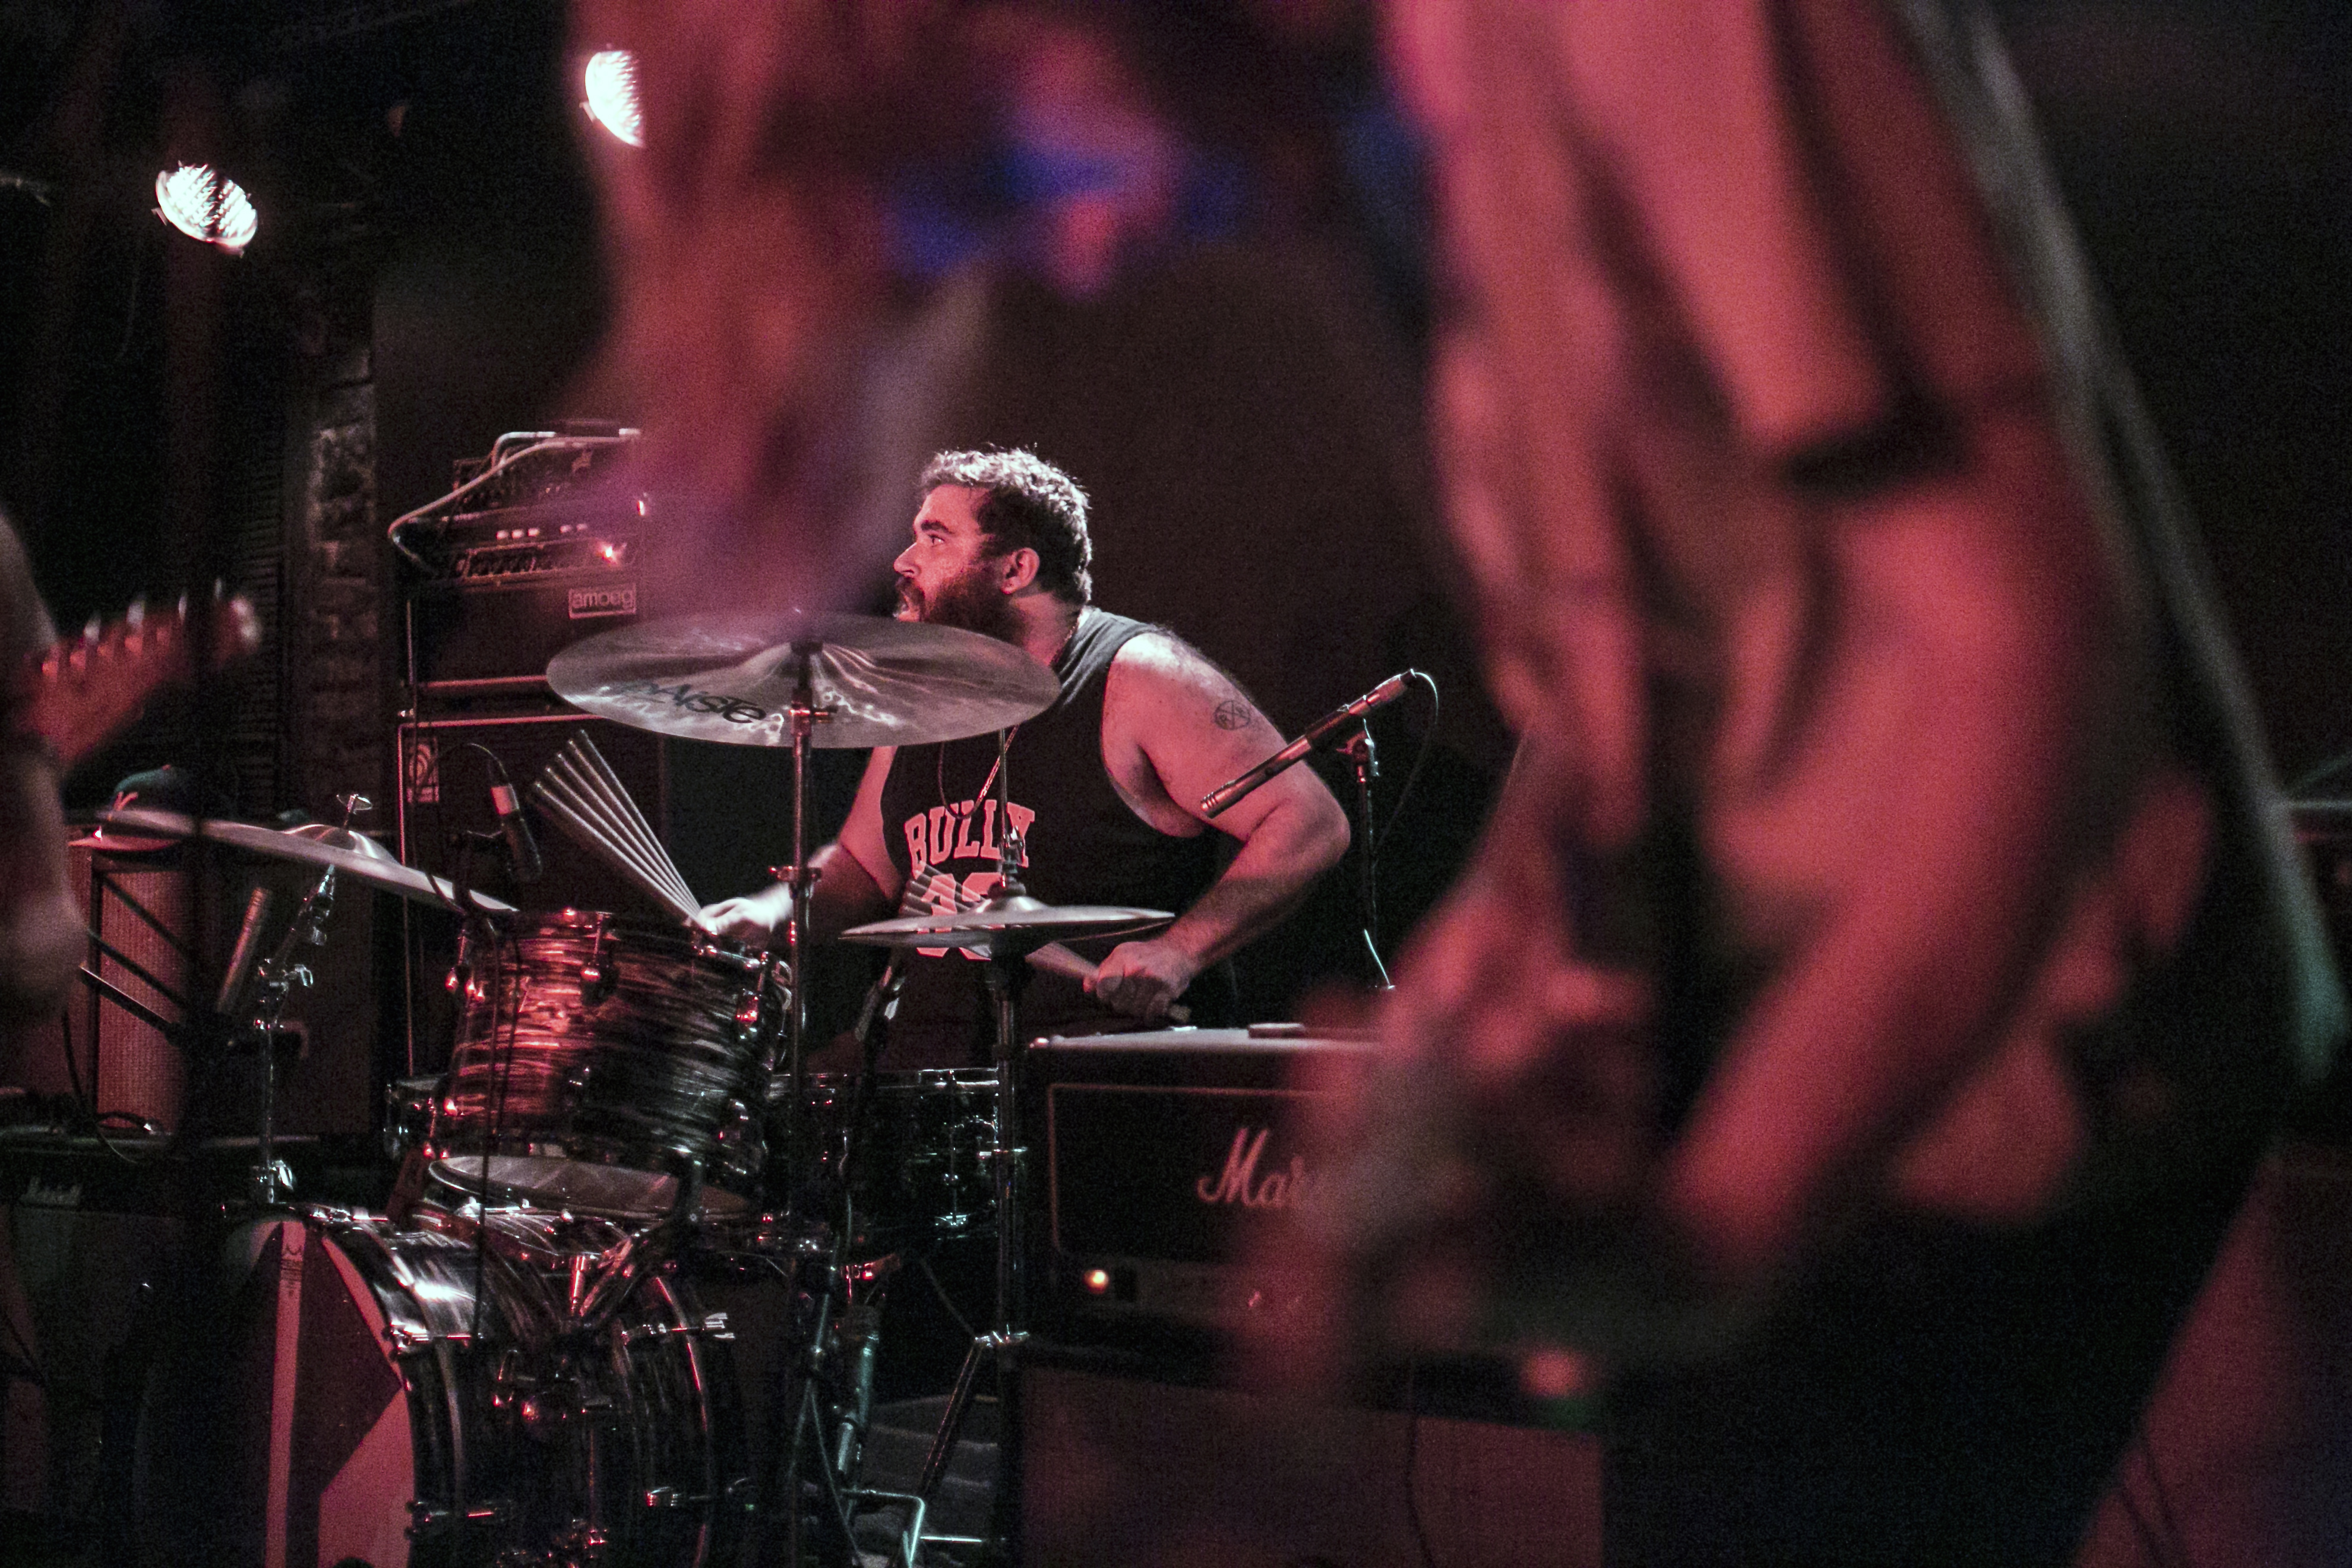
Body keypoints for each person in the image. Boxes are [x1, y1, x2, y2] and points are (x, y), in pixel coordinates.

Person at [1257, 2, 2345, 1564]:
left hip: (1999, 1031)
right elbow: (1641, 680)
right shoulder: (1415, 116)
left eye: (990, 181)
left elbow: (2031, 644)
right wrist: (1468, 999)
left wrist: (1708, 1242)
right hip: (1818, 1038)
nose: (1075, 254)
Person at [699, 447, 1351, 1064]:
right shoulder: (920, 699)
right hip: (932, 1082)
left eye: (935, 538)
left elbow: (1309, 822)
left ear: (1015, 570)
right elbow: (864, 871)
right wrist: (770, 912)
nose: (903, 561)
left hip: (1090, 1078)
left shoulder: (1138, 676)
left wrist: (1180, 952)